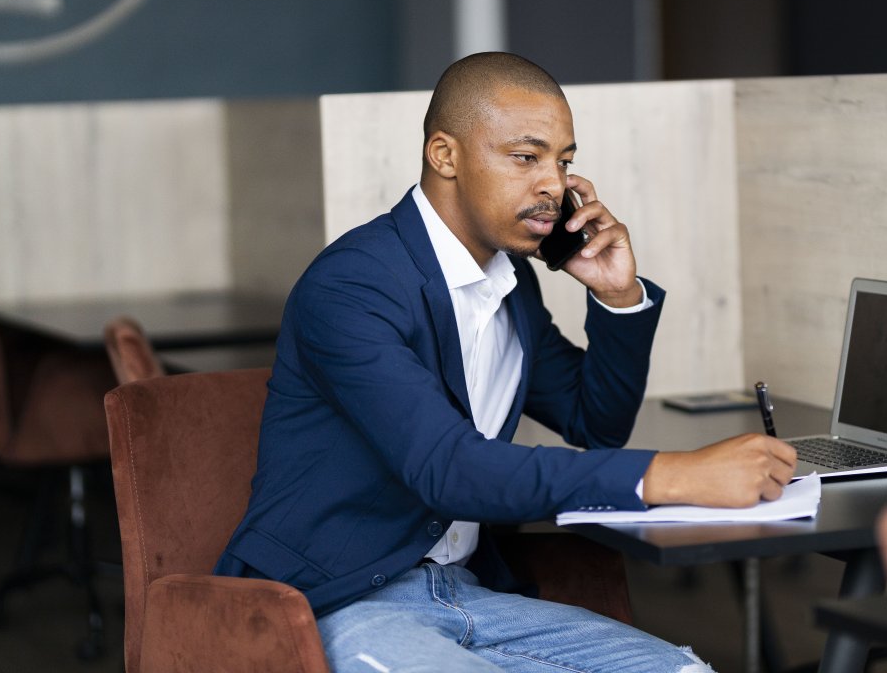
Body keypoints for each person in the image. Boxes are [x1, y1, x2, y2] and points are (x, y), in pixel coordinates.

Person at [215, 52, 798, 672]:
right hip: (335, 598)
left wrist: (616, 295)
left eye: (564, 161)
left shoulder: (511, 281)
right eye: (526, 157)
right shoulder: (352, 287)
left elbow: (592, 421)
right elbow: (447, 469)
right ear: (446, 155)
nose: (553, 183)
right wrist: (676, 475)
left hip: (468, 595)